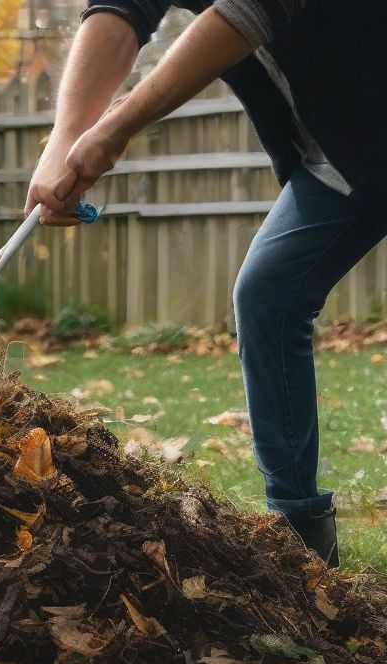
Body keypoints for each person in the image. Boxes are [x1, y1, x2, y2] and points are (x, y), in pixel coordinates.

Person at [25, 0, 387, 568]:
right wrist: (66, 133)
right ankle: (299, 537)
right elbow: (122, 10)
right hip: (338, 155)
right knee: (268, 297)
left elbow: (249, 11)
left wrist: (114, 127)